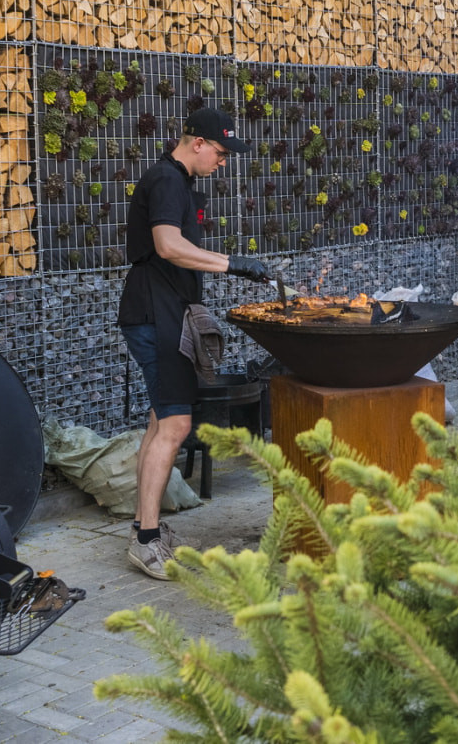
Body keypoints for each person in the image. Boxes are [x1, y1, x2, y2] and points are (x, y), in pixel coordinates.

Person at [117, 107, 270, 580]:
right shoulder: (167, 179)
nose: (222, 162)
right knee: (176, 424)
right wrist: (233, 264)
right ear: (197, 142)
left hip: (161, 312)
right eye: (220, 152)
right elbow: (167, 245)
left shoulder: (178, 181)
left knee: (159, 421)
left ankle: (146, 527)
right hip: (155, 315)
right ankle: (146, 542)